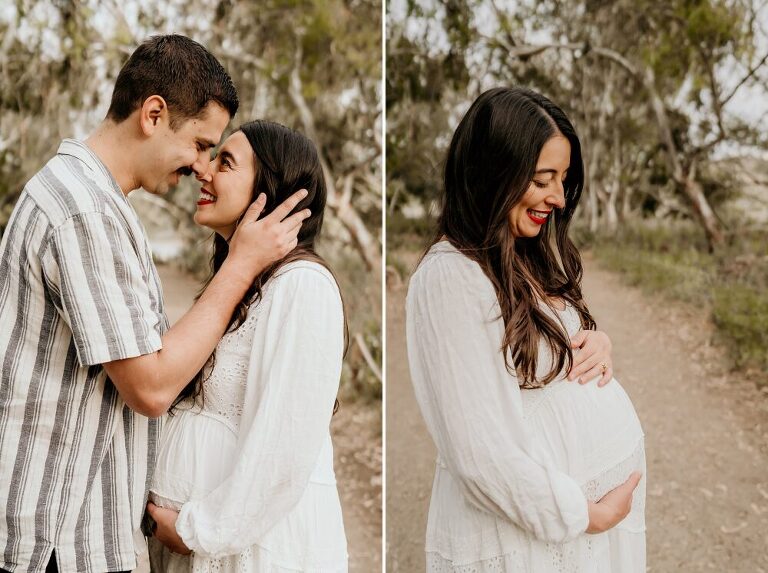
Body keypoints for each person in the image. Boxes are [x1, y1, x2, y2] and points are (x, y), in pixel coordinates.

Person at [0, 36, 308, 573]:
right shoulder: (84, 211)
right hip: (57, 539)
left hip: (71, 532)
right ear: (153, 114)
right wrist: (240, 265)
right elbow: (151, 386)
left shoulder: (94, 200)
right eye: (200, 144)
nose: (201, 166)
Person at [406, 87, 646, 571]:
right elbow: (480, 455)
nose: (557, 197)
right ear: (493, 173)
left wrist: (596, 342)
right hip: (531, 538)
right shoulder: (451, 275)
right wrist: (586, 515)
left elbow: (541, 351)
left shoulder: (520, 253)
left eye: (563, 179)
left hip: (568, 537)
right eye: (542, 180)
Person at [144, 121, 347, 572]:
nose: (203, 170)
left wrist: (197, 530)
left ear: (267, 191)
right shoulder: (239, 285)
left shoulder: (303, 286)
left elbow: (283, 451)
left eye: (225, 162)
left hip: (252, 554)